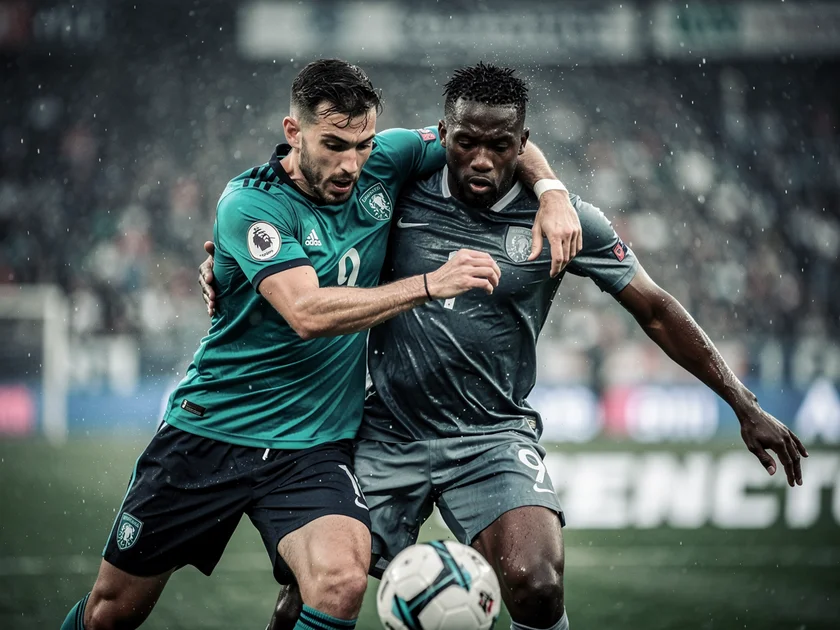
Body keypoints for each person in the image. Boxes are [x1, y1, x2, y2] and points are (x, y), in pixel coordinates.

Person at [202, 63, 809, 630]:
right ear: (443, 136)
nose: (482, 160)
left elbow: (654, 308)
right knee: (312, 588)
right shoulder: (395, 188)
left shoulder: (565, 222)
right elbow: (297, 211)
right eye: (466, 142)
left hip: (492, 435)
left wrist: (743, 404)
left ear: (523, 143)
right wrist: (223, 267)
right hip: (386, 427)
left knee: (536, 583)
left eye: (500, 145)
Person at [61, 59, 578, 630]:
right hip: (211, 435)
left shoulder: (387, 159)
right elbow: (305, 313)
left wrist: (551, 190)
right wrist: (430, 284)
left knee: (340, 582)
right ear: (294, 132)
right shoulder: (252, 203)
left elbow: (485, 138)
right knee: (112, 613)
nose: (351, 163)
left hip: (310, 448)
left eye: (363, 144)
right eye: (334, 145)